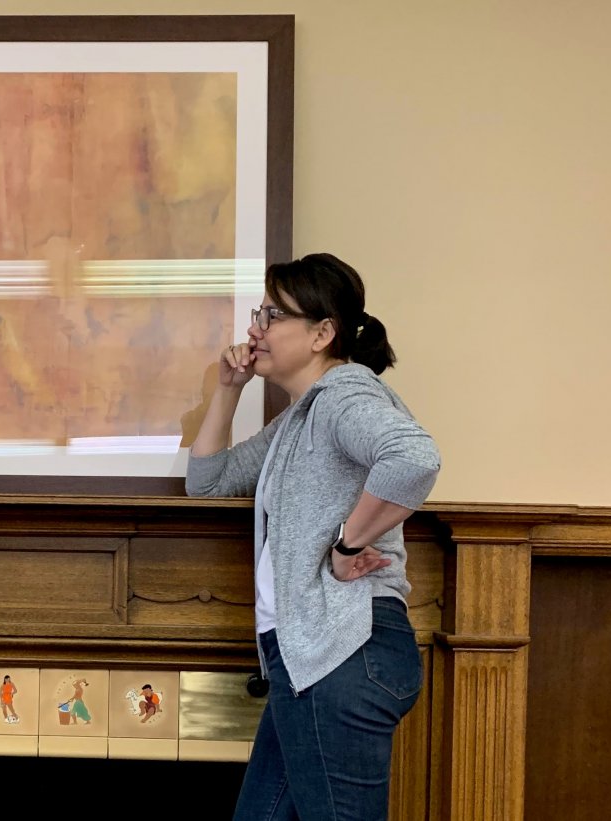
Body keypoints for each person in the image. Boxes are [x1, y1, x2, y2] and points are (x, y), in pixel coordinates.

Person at [186, 253, 440, 820]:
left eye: (273, 315)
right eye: (259, 312)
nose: (255, 329)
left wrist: (348, 544)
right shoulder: (300, 418)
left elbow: (414, 457)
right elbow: (208, 483)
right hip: (308, 659)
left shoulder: (345, 395)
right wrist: (229, 389)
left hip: (343, 653)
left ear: (323, 332)